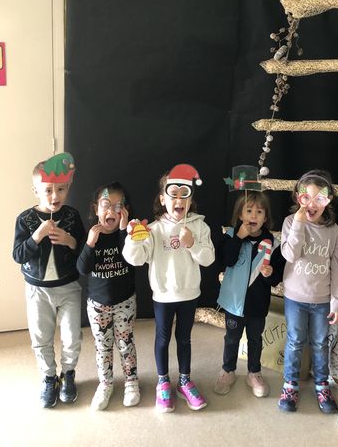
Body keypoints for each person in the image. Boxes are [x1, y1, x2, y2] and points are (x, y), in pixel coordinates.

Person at [123, 164, 215, 413]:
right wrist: (133, 238)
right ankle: (163, 382)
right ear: (163, 199)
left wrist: (192, 243)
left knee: (184, 339)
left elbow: (208, 259)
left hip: (189, 293)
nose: (178, 200)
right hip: (163, 295)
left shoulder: (199, 227)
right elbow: (136, 259)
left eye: (184, 194)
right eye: (172, 194)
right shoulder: (153, 230)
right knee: (163, 339)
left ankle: (184, 381)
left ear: (190, 199)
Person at [12, 153, 85, 408]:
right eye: (48, 190)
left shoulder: (72, 216)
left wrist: (69, 240)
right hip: (37, 291)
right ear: (36, 190)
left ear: (68, 188)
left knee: (72, 337)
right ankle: (49, 377)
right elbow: (18, 255)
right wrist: (37, 236)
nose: (55, 196)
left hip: (68, 288)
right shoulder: (25, 219)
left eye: (61, 189)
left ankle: (68, 374)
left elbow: (84, 251)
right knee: (41, 337)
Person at [279, 170, 338, 414]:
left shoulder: (333, 230)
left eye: (319, 198)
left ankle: (322, 385)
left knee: (319, 343)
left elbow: (337, 269)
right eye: (306, 197)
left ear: (328, 200)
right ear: (298, 197)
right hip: (295, 297)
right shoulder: (290, 222)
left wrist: (337, 301)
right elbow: (290, 255)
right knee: (295, 341)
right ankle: (290, 385)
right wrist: (299, 224)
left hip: (322, 299)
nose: (312, 204)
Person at [214, 190, 285, 398]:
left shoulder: (273, 244)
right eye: (249, 211)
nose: (254, 215)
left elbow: (277, 276)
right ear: (240, 215)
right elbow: (226, 260)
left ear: (266, 217)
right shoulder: (230, 236)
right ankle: (228, 370)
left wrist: (270, 274)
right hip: (234, 302)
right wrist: (238, 237)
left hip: (257, 304)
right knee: (232, 338)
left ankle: (254, 373)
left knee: (255, 339)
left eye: (259, 212)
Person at [77, 182, 140, 411]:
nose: (111, 210)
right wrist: (89, 243)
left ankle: (131, 381)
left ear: (125, 211)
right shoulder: (92, 236)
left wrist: (124, 231)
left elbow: (131, 259)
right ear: (96, 210)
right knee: (103, 347)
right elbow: (82, 268)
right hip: (97, 306)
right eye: (106, 205)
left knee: (125, 343)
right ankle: (105, 383)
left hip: (125, 302)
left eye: (118, 206)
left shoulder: (128, 235)